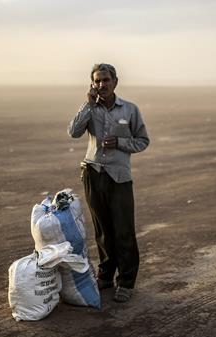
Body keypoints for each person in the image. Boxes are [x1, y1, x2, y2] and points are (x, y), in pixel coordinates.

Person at [68, 63, 150, 303]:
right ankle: (105, 276)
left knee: (123, 230)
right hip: (93, 174)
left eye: (106, 80)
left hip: (120, 178)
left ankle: (126, 282)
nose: (102, 85)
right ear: (92, 84)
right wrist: (87, 105)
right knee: (102, 230)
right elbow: (73, 132)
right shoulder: (90, 109)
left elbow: (143, 140)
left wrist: (121, 144)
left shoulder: (130, 110)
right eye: (97, 81)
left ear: (115, 81)